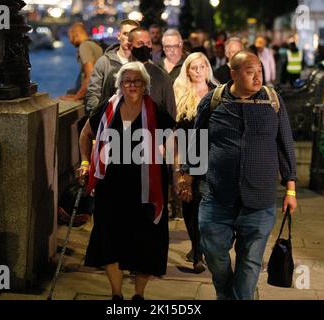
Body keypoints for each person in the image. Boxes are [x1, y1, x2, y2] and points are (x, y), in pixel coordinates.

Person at [178, 51, 297, 300]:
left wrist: (290, 189)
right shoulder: (214, 101)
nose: (257, 78)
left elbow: (285, 144)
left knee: (250, 262)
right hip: (218, 196)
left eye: (260, 71)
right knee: (214, 255)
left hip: (259, 199)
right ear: (233, 73)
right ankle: (226, 293)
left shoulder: (273, 101)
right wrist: (187, 175)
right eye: (250, 71)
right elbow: (196, 142)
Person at [79, 62, 175, 300]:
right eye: (127, 81)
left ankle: (139, 295)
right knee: (108, 235)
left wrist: (173, 165)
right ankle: (116, 293)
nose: (132, 85)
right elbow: (85, 134)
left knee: (146, 238)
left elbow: (174, 137)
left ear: (145, 85)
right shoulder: (107, 108)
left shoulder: (156, 110)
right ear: (120, 84)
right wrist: (84, 163)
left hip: (146, 187)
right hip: (111, 185)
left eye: (137, 81)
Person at [173, 52, 219, 273]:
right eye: (194, 67)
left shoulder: (218, 94)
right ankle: (196, 248)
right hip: (187, 157)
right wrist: (178, 168)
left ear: (208, 68)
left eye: (203, 66)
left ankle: (200, 253)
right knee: (189, 205)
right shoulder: (180, 93)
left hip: (212, 157)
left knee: (206, 206)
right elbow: (175, 133)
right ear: (188, 71)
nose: (199, 71)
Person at [85, 19, 140, 115]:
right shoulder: (104, 62)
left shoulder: (142, 63)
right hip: (108, 121)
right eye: (125, 34)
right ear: (119, 36)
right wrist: (99, 118)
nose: (128, 38)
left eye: (132, 35)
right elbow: (93, 93)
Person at [59, 23, 102, 101]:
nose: (70, 41)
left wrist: (76, 97)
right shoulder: (95, 45)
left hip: (93, 98)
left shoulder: (84, 46)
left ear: (76, 34)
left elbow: (91, 76)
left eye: (70, 37)